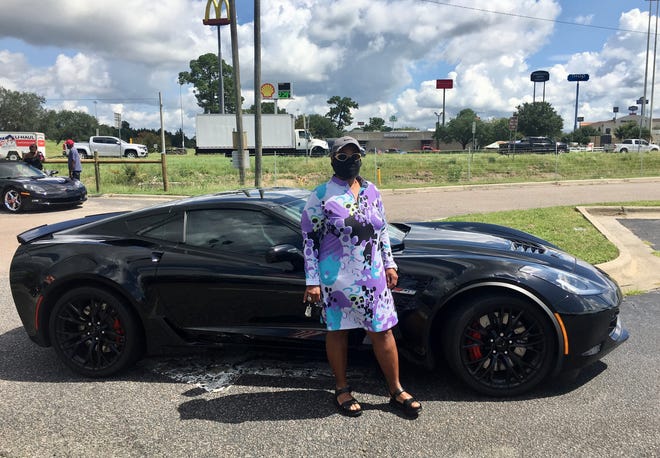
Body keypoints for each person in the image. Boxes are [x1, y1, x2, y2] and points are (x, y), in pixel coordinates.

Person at [301, 136, 422, 418]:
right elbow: (308, 239)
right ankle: (342, 388)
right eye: (342, 156)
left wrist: (390, 265)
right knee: (338, 331)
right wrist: (312, 281)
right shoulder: (321, 195)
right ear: (332, 159)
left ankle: (395, 389)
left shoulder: (372, 191)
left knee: (383, 331)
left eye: (354, 155)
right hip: (336, 279)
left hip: (373, 276)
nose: (350, 161)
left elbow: (381, 233)